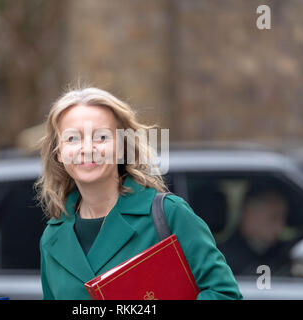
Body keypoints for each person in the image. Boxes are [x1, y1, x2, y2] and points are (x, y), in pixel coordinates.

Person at [37, 86, 242, 300]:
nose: (87, 148)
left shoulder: (169, 214)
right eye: (72, 139)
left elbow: (226, 295)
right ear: (59, 153)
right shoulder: (53, 238)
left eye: (101, 137)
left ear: (122, 146)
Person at [218, 183, 291, 275]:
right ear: (249, 214)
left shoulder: (285, 254)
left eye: (283, 218)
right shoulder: (222, 261)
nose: (280, 226)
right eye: (273, 218)